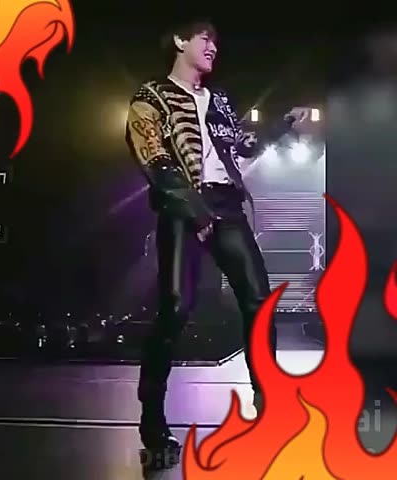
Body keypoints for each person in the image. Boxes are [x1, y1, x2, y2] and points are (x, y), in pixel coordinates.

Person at [125, 19, 304, 461]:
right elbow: (154, 158)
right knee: (175, 308)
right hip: (183, 206)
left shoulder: (219, 100)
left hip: (226, 204)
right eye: (205, 39)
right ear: (180, 40)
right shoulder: (152, 97)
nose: (213, 48)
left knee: (259, 301)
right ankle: (152, 418)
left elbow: (242, 144)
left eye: (216, 42)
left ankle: (269, 405)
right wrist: (194, 210)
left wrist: (280, 125)